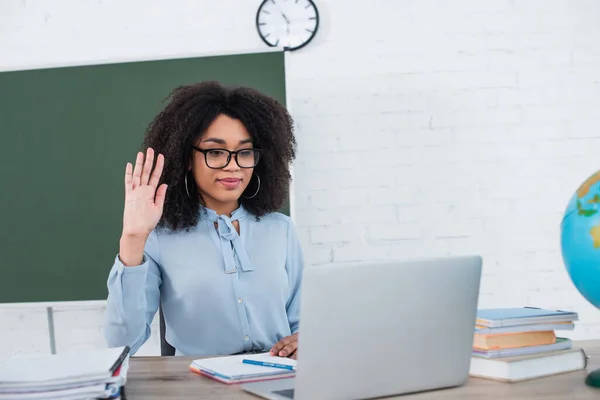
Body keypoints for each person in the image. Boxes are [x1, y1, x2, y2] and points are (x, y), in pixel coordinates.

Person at [103, 81, 304, 358]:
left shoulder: (280, 230)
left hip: (276, 378)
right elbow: (122, 344)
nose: (232, 165)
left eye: (245, 152)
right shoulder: (159, 238)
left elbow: (302, 322)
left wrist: (302, 339)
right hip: (198, 385)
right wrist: (133, 239)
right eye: (216, 152)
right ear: (187, 157)